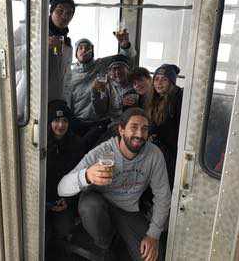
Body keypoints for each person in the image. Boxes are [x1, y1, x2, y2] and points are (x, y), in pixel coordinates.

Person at [58, 108, 171, 261]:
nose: (139, 134)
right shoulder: (102, 151)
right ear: (121, 130)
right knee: (90, 206)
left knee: (153, 258)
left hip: (128, 209)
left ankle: (118, 238)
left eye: (144, 129)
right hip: (99, 203)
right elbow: (62, 188)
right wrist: (87, 175)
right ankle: (104, 243)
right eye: (134, 127)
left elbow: (163, 197)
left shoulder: (154, 154)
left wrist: (153, 235)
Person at [69, 33, 132, 137]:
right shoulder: (70, 74)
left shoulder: (101, 64)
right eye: (80, 48)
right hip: (78, 121)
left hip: (100, 122)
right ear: (75, 53)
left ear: (92, 51)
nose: (84, 50)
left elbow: (123, 58)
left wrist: (125, 45)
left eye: (87, 48)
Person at [45, 100, 86, 259]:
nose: (60, 125)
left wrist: (67, 202)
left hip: (65, 200)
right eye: (56, 120)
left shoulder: (77, 144)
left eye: (64, 121)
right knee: (43, 232)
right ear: (49, 122)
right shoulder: (40, 143)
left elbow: (80, 178)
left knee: (64, 229)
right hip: (43, 200)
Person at [147, 64, 183, 189]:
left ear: (172, 82)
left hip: (172, 150)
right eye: (156, 79)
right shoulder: (155, 100)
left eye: (164, 79)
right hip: (159, 145)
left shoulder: (178, 97)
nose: (159, 83)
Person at [92, 55, 138, 123]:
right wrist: (95, 93)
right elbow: (100, 111)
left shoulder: (136, 84)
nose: (117, 72)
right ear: (109, 72)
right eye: (114, 69)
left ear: (128, 69)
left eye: (120, 68)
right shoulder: (106, 86)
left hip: (131, 123)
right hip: (112, 123)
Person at [48, 0, 75, 101]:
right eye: (60, 11)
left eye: (69, 13)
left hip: (56, 102)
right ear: (51, 12)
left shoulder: (67, 44)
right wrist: (40, 46)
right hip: (31, 103)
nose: (65, 16)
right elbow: (13, 60)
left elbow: (67, 77)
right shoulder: (32, 31)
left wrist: (65, 103)